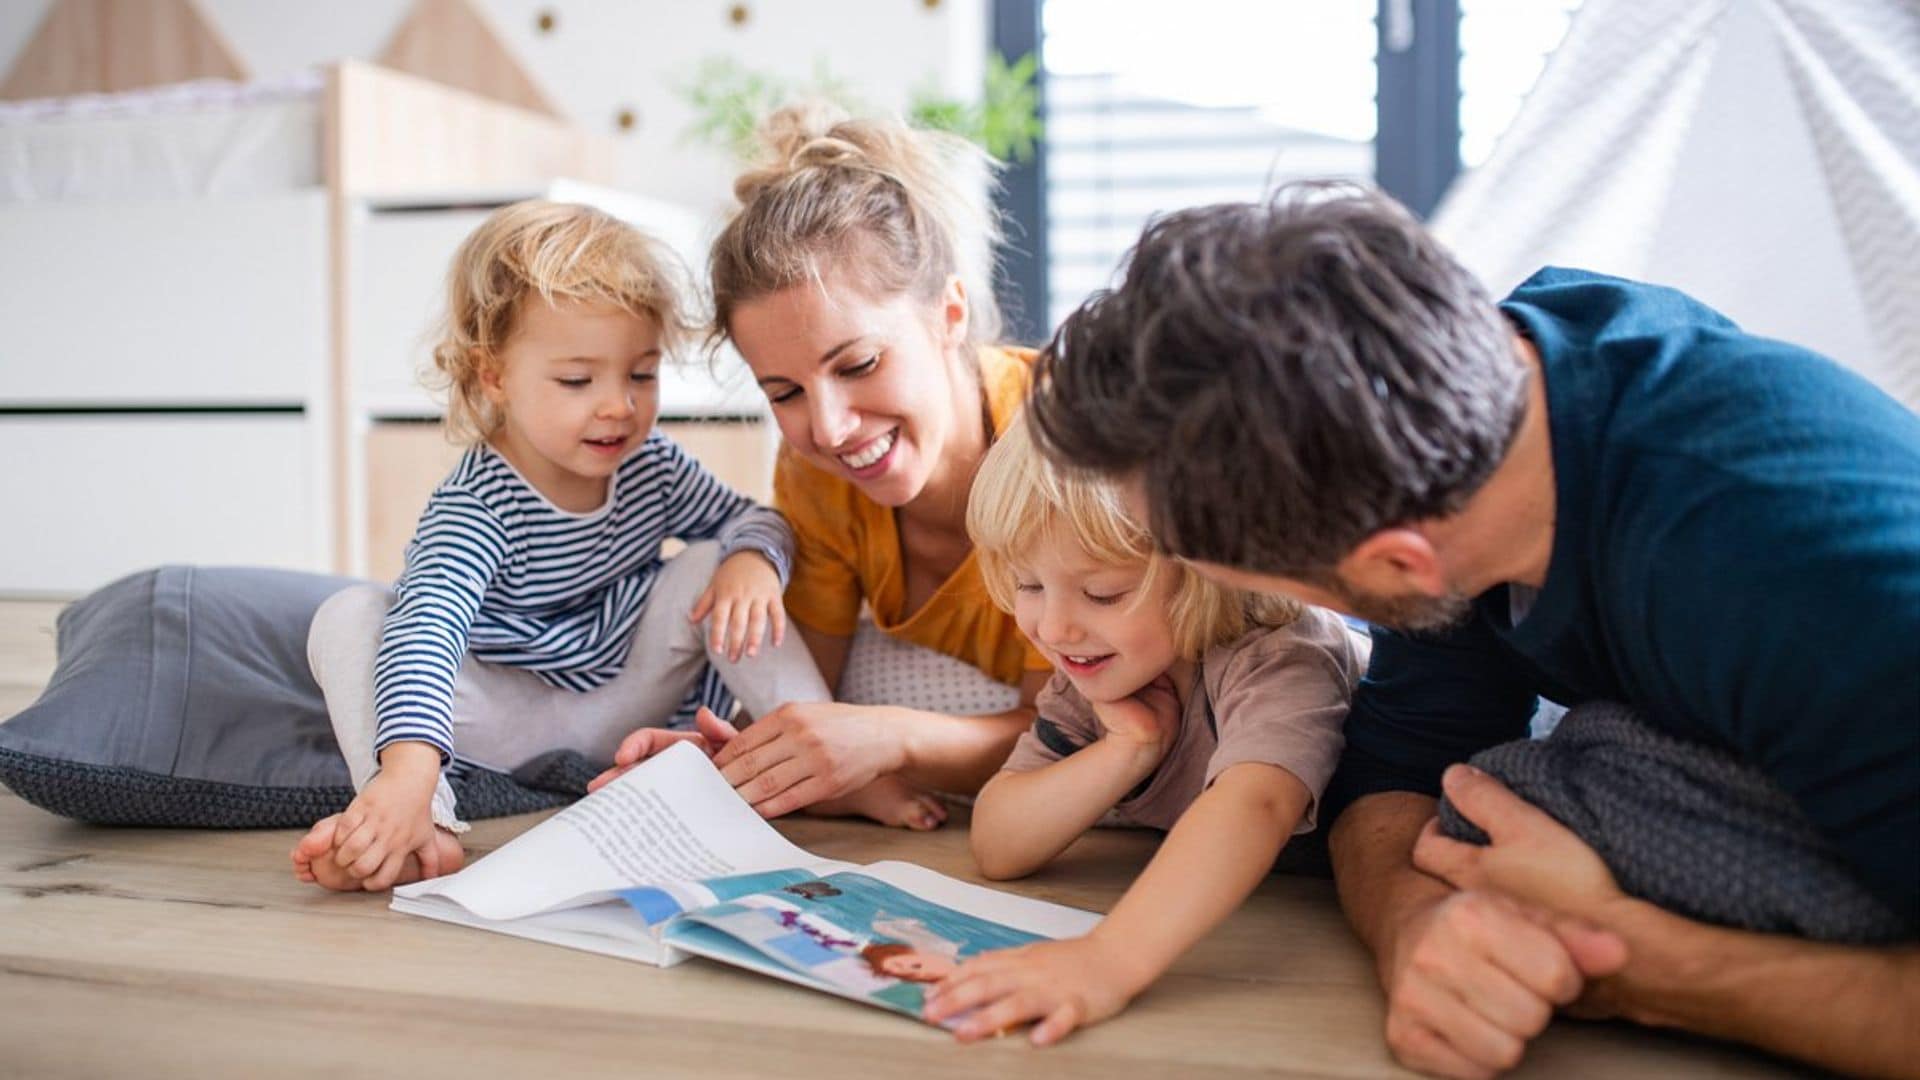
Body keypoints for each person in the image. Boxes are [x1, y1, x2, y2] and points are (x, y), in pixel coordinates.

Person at [1023, 183, 1920, 1077]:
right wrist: (1417, 928)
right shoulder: (1453, 436)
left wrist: (1636, 965)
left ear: (1401, 567)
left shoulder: (1798, 576)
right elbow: (1393, 773)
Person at [290, 200, 831, 892]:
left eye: (641, 375)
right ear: (494, 377)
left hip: (620, 702)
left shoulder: (652, 465)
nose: (619, 406)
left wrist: (753, 558)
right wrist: (409, 768)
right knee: (352, 615)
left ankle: (814, 747)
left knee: (715, 562)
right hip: (500, 717)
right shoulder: (477, 505)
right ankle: (409, 813)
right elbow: (427, 631)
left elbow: (750, 518)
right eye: (578, 380)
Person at [598, 105, 1054, 822]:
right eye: (784, 392)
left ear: (950, 314)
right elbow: (808, 696)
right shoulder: (816, 474)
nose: (832, 428)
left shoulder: (1058, 441)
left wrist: (889, 735)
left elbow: (1066, 728)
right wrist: (729, 764)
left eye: (860, 364)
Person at [918, 413, 1367, 1044]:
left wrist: (1107, 960)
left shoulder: (1279, 651)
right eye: (1029, 585)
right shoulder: (1097, 670)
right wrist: (1129, 749)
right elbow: (998, 844)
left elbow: (1258, 802)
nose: (1054, 628)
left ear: (1208, 571)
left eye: (1102, 594)